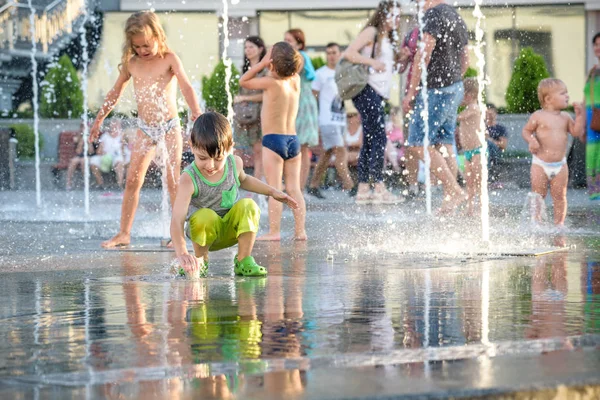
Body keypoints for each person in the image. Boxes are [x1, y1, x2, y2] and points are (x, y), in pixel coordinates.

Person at [89, 11, 202, 248]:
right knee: (132, 181)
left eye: (147, 44)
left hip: (169, 126)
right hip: (144, 128)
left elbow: (187, 86)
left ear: (158, 36)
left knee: (173, 181)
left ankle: (177, 235)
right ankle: (123, 233)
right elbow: (114, 93)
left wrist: (196, 112)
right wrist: (99, 119)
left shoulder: (169, 59)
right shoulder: (132, 64)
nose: (143, 50)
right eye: (137, 46)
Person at [170, 112, 298, 278]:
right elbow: (176, 221)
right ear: (192, 146)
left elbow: (244, 180)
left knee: (248, 205)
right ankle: (200, 261)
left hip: (231, 231)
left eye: (218, 158)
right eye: (202, 158)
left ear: (230, 148)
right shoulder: (189, 178)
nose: (210, 165)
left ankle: (243, 260)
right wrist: (182, 254)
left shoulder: (234, 163)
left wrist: (272, 191)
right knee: (204, 216)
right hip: (204, 233)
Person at [403, 0, 469, 214]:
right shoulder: (456, 15)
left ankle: (454, 189)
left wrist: (411, 93)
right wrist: (454, 80)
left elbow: (424, 54)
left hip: (434, 89)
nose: (418, 6)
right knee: (444, 141)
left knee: (416, 142)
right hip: (454, 86)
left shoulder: (432, 15)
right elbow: (466, 58)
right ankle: (451, 198)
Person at [239, 42, 307, 242]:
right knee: (294, 189)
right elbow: (296, 65)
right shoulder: (295, 80)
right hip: (293, 141)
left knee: (275, 188)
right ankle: (300, 231)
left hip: (273, 140)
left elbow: (244, 81)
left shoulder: (270, 82)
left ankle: (274, 231)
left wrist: (261, 63)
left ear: (272, 65)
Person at [342, 1, 403, 205]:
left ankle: (363, 189)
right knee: (378, 137)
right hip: (366, 90)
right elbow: (349, 53)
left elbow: (390, 66)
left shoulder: (389, 38)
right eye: (393, 15)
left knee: (370, 138)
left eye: (399, 15)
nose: (397, 19)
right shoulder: (371, 32)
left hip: (377, 93)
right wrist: (371, 62)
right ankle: (378, 187)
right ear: (384, 14)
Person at [522, 78, 584, 227]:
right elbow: (526, 130)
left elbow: (576, 132)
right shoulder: (538, 116)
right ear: (548, 99)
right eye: (563, 93)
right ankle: (536, 222)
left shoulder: (565, 117)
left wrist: (580, 116)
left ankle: (559, 224)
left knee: (560, 196)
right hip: (540, 164)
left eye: (567, 93)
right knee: (538, 195)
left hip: (560, 165)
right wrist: (531, 140)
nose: (567, 96)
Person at [307, 42, 354, 199]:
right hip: (327, 120)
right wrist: (314, 120)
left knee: (327, 154)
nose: (331, 55)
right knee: (340, 150)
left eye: (334, 52)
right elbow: (313, 98)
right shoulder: (321, 74)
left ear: (340, 54)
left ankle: (313, 185)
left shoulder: (344, 73)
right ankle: (351, 186)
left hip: (340, 119)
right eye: (328, 53)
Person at [284, 29, 319, 191]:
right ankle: (294, 186)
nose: (286, 43)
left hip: (303, 105)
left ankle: (300, 187)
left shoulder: (300, 57)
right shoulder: (291, 57)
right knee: (293, 146)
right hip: (294, 103)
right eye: (285, 40)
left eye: (289, 41)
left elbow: (289, 76)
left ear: (299, 44)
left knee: (302, 147)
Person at [234, 36, 267, 180]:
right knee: (238, 149)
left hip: (259, 114)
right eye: (246, 47)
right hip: (243, 114)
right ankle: (236, 181)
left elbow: (266, 94)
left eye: (251, 47)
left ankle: (258, 184)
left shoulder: (265, 70)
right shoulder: (245, 68)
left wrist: (245, 98)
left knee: (258, 150)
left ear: (260, 49)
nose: (248, 50)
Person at [456, 78, 483, 216]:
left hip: (478, 151)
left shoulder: (474, 108)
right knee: (469, 181)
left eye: (461, 94)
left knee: (478, 181)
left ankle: (480, 207)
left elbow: (458, 117)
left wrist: (453, 105)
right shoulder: (468, 108)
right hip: (467, 152)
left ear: (469, 95)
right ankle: (470, 207)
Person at [584, 32, 600, 201]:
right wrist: (581, 123)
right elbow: (585, 99)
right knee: (592, 158)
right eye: (596, 44)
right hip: (592, 123)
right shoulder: (593, 71)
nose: (598, 47)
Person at [65, 124, 104, 190]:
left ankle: (86, 182)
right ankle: (68, 183)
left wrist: (89, 142)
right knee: (73, 162)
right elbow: (78, 151)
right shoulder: (78, 137)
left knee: (84, 161)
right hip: (81, 155)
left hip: (90, 155)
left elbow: (91, 152)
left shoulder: (94, 137)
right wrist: (82, 141)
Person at [485, 104, 508, 187]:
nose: (488, 116)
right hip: (483, 152)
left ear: (495, 114)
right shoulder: (481, 127)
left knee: (488, 143)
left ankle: (488, 177)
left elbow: (503, 145)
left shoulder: (500, 128)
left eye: (490, 114)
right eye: (486, 113)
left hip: (495, 152)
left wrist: (490, 140)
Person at [385, 106, 404, 173]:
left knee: (387, 143)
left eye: (394, 114)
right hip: (388, 150)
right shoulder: (389, 126)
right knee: (386, 143)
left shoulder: (402, 127)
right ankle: (394, 166)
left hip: (399, 151)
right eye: (391, 114)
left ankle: (394, 166)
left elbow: (403, 141)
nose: (392, 116)